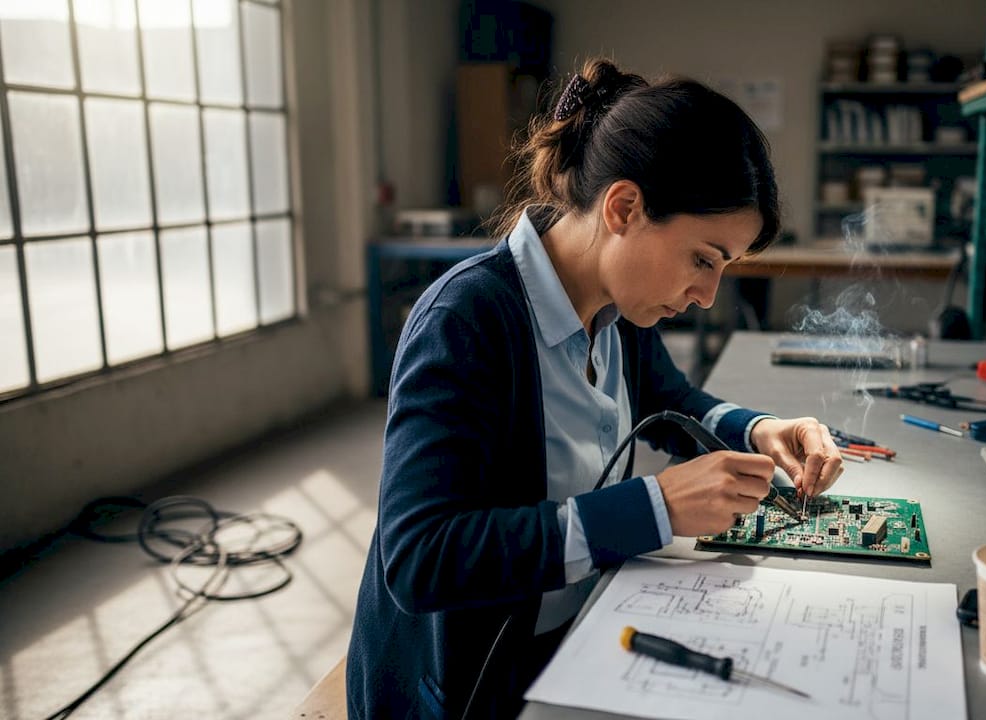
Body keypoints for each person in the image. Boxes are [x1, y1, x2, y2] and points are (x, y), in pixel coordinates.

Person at [346, 58, 846, 719]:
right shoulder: (466, 323)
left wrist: (761, 430)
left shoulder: (618, 301)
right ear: (624, 207)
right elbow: (420, 560)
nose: (705, 296)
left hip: (572, 631)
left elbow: (669, 402)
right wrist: (652, 509)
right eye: (703, 258)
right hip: (465, 684)